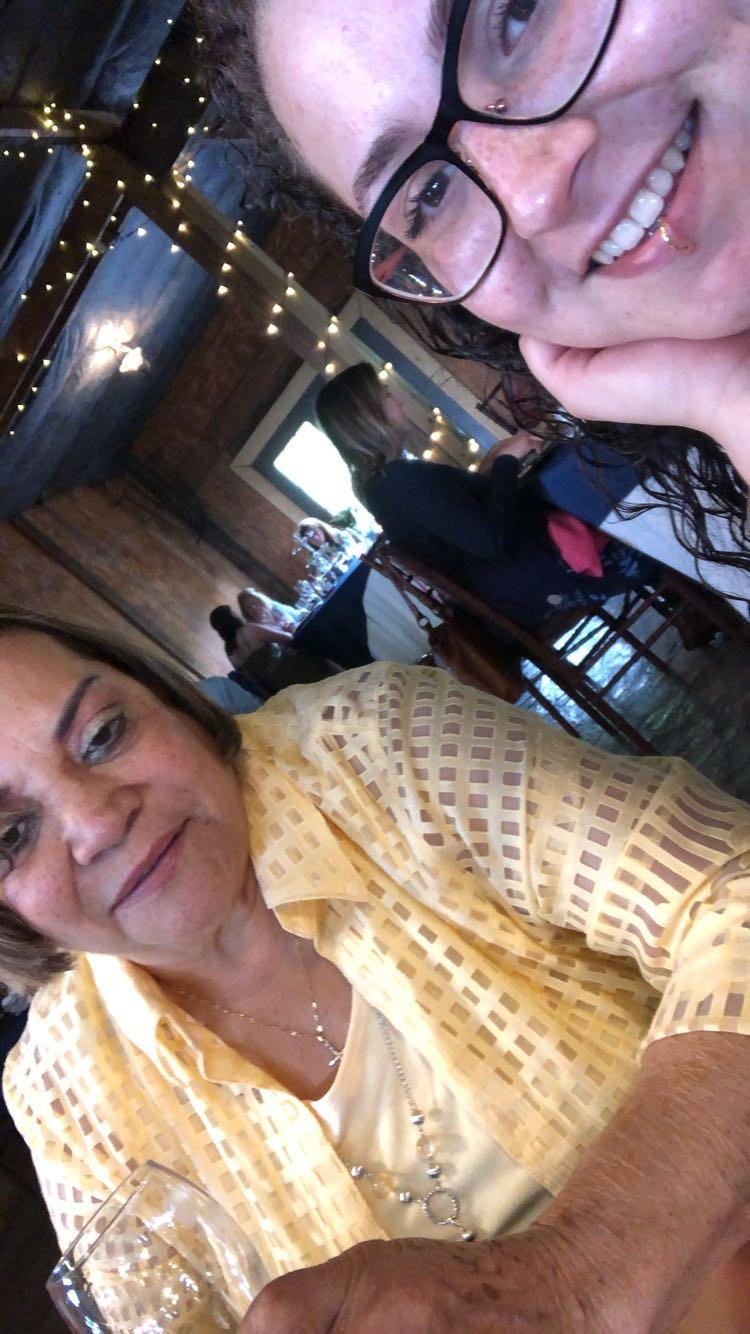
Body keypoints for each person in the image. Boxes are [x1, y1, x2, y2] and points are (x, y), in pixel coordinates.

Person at [4, 607, 750, 1332]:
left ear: (173, 703)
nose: (99, 823)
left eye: (103, 734)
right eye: (11, 835)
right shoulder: (58, 1092)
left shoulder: (376, 746)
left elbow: (732, 893)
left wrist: (577, 1277)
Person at [194, 0, 750, 578]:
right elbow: (491, 541)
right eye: (431, 194)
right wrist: (730, 395)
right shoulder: (400, 482)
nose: (533, 198)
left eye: (519, 12)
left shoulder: (398, 483)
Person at [316, 363, 663, 630]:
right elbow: (493, 542)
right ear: (369, 417)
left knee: (598, 499)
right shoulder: (401, 482)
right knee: (642, 525)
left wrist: (494, 461)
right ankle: (681, 590)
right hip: (534, 584)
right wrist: (507, 463)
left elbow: (461, 519)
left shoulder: (386, 487)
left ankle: (680, 605)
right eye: (387, 395)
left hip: (514, 586)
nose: (400, 399)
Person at [209, 604, 336, 694]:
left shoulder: (229, 652)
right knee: (322, 657)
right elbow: (287, 638)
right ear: (232, 617)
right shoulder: (249, 630)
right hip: (295, 670)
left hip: (280, 688)